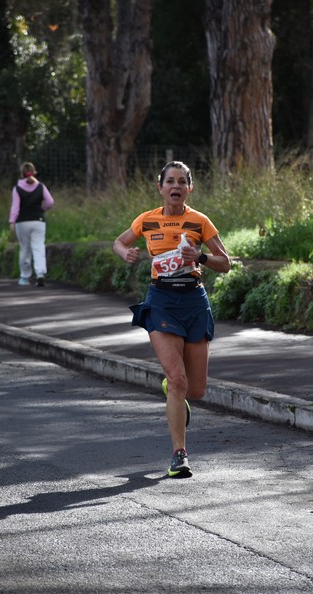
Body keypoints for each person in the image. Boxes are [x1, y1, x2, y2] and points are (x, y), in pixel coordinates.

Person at [113, 161, 230, 478]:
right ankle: (180, 455)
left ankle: (174, 390)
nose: (175, 186)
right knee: (179, 381)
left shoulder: (199, 221)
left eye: (182, 181)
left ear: (189, 188)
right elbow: (120, 241)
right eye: (170, 181)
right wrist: (125, 252)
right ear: (160, 187)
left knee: (197, 389)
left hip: (193, 300)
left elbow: (226, 263)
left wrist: (201, 257)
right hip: (161, 301)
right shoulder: (147, 221)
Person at [9, 162, 54, 287]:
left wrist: (12, 221)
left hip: (22, 222)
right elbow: (50, 201)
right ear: (34, 172)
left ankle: (24, 276)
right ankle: (40, 273)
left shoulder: (17, 188)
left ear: (21, 173)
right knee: (38, 247)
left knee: (25, 249)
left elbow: (15, 207)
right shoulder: (41, 186)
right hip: (38, 221)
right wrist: (42, 209)